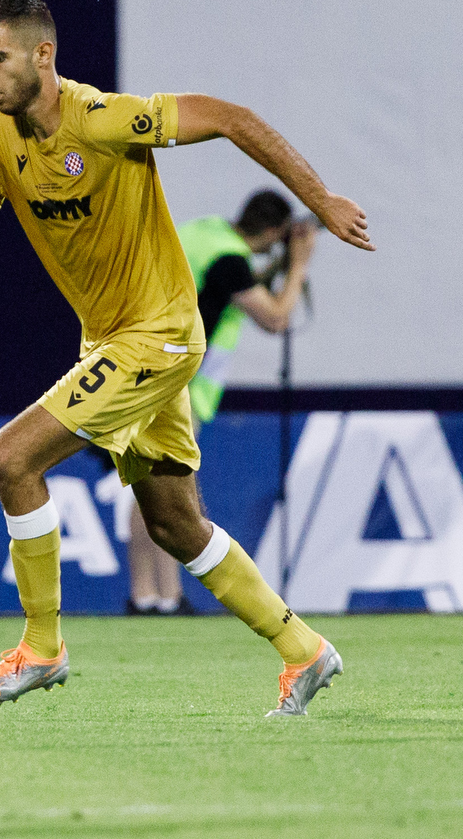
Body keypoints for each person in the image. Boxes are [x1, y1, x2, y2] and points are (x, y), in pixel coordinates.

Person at [0, 0, 372, 716]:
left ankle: (41, 646)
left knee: (11, 457)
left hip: (159, 333)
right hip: (113, 339)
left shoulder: (104, 119)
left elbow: (233, 120)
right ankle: (304, 649)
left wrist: (323, 197)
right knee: (174, 524)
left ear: (42, 55)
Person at [120, 191, 315, 616]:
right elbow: (276, 317)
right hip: (179, 383)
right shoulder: (230, 260)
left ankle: (146, 595)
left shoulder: (203, 233)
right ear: (272, 232)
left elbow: (219, 289)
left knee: (146, 487)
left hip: (139, 367)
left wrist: (273, 266)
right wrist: (299, 263)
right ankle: (168, 598)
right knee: (170, 491)